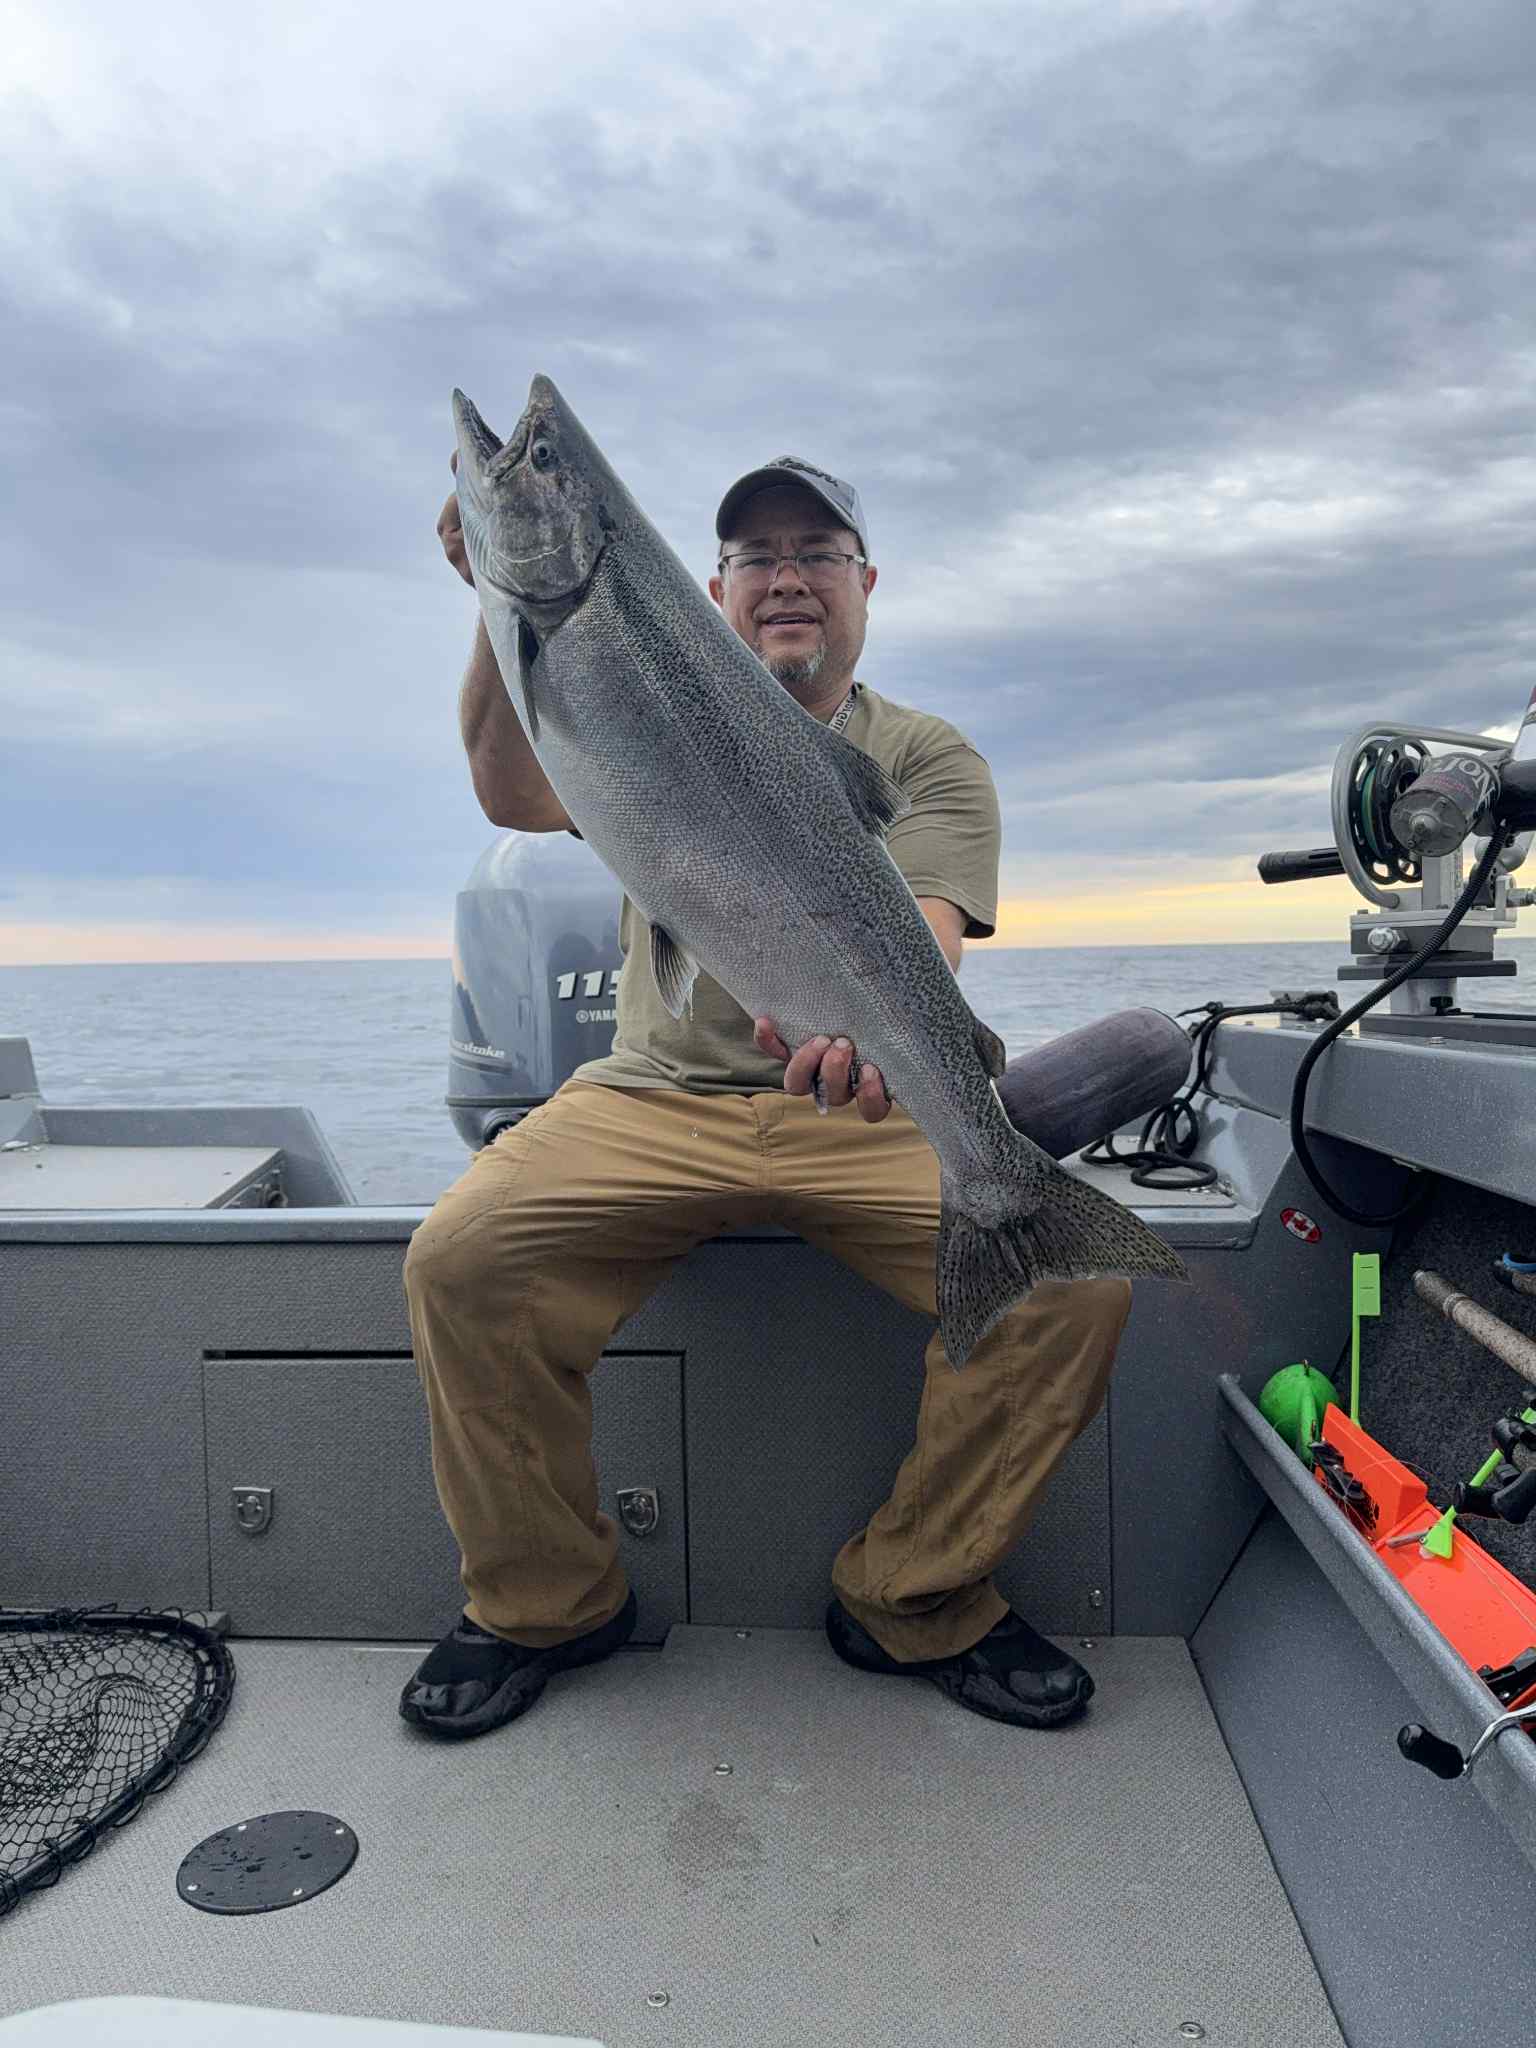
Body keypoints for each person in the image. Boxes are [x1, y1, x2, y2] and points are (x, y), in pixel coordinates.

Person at [399, 450, 1133, 1742]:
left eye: (816, 554)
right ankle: (547, 1604)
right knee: (462, 1260)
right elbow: (513, 790)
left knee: (1072, 1287)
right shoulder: (639, 696)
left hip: (863, 1106)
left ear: (866, 583)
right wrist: (500, 603)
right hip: (654, 1093)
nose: (787, 577)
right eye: (757, 556)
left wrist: (871, 1032)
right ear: (714, 588)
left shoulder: (925, 753)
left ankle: (911, 1595)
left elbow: (924, 932)